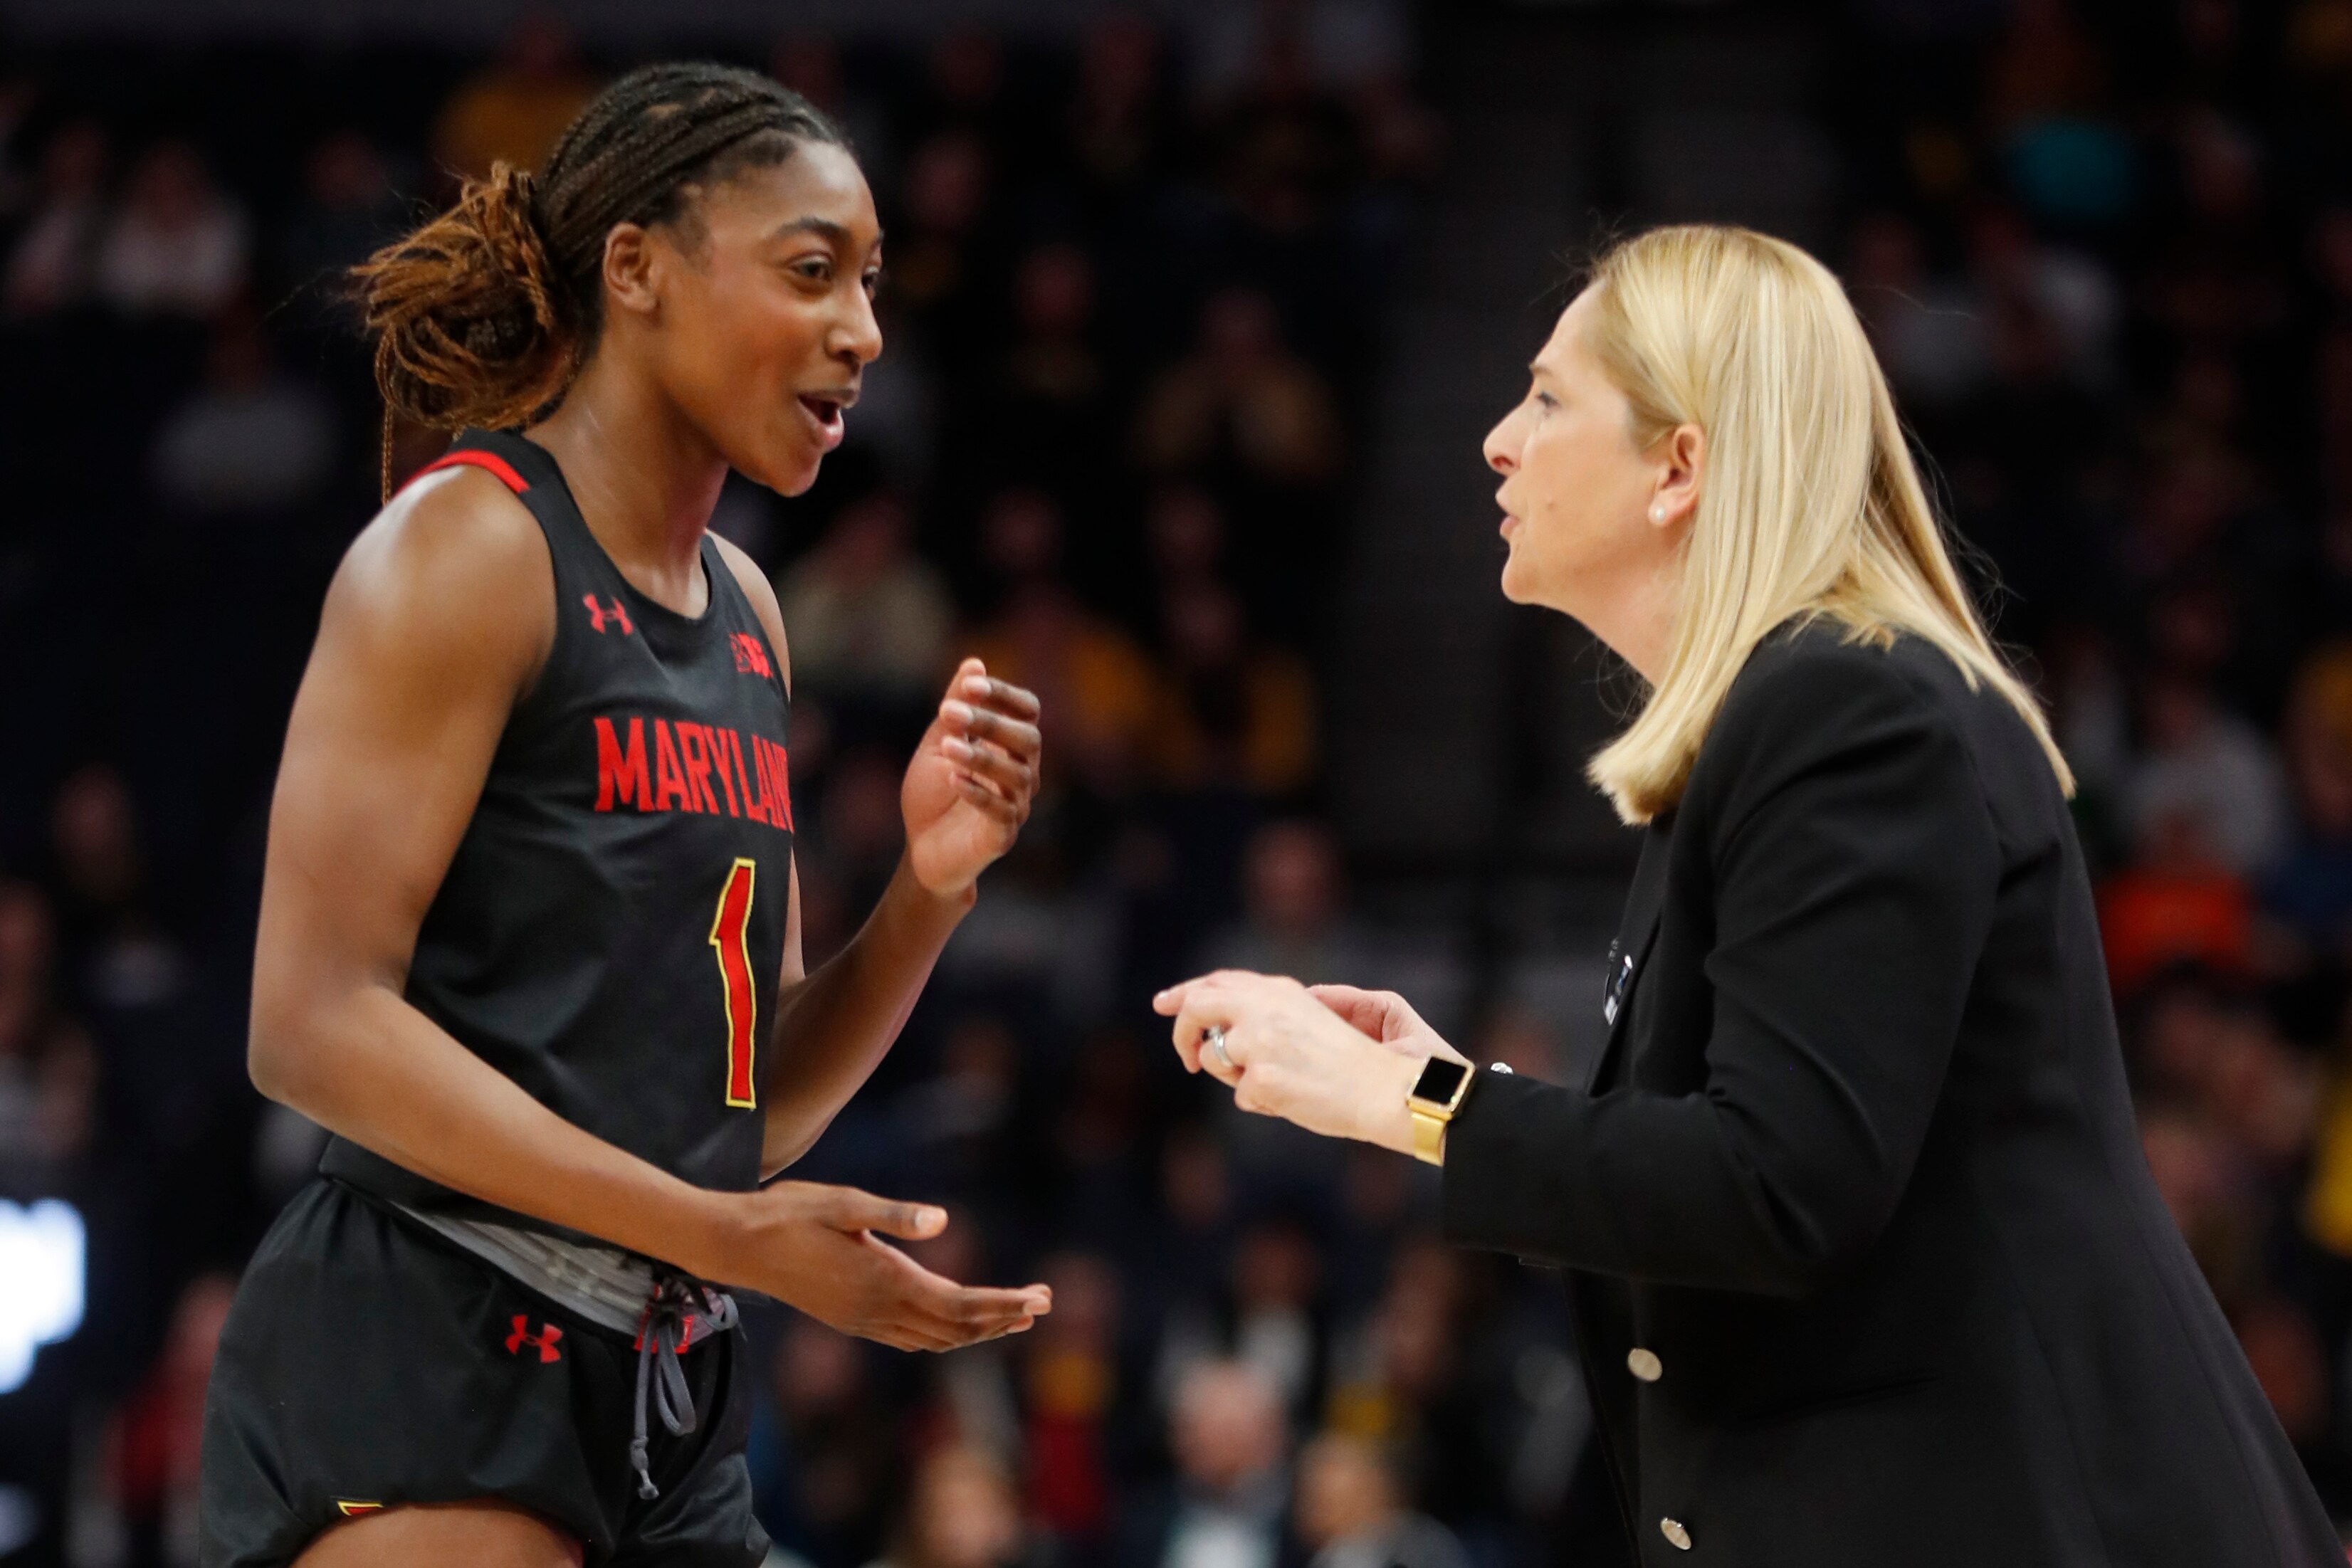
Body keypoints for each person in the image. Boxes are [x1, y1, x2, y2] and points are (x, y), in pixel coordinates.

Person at [1152, 226, 2342, 1564]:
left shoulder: (1847, 703)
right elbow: (1735, 1176)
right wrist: (1439, 1092)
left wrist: (1418, 1107)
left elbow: (1782, 1185)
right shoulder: (1776, 721)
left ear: (1681, 466)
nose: (1498, 439)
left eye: (1547, 398)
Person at [199, 64, 1051, 1568]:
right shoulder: (465, 547)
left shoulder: (749, 615)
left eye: (870, 284)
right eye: (811, 272)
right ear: (637, 270)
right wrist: (722, 1238)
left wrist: (927, 887)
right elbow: (310, 1021)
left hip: (665, 1383)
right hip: (430, 1333)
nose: (860, 330)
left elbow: (748, 1109)